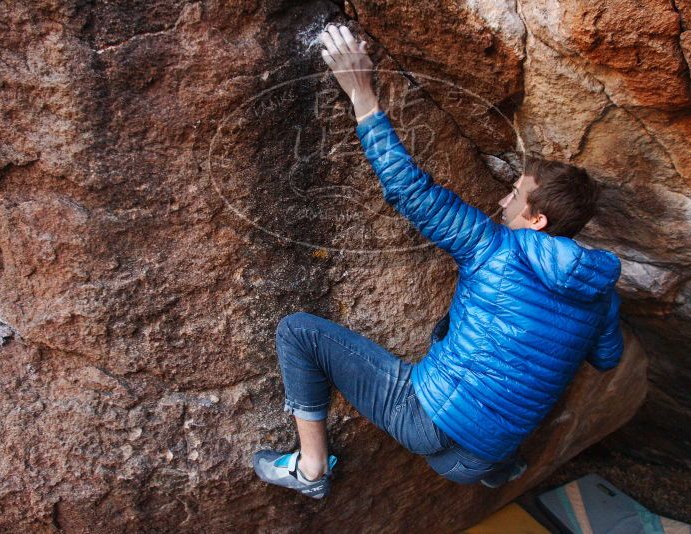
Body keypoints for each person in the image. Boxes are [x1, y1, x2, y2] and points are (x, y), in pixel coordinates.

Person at [252, 24, 624, 500]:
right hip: (476, 461)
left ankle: (311, 469)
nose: (501, 201)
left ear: (538, 219)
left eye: (514, 196)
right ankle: (500, 470)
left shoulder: (495, 247)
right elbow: (607, 358)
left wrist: (361, 94)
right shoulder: (602, 296)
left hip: (423, 420)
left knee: (297, 331)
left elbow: (411, 190)